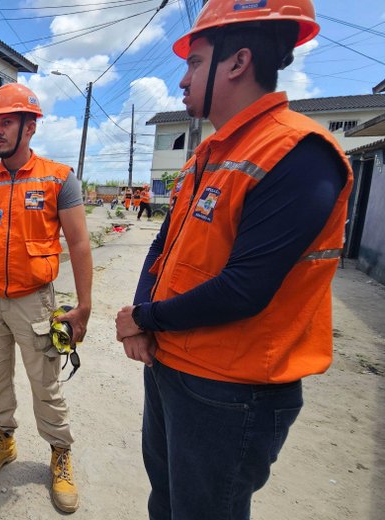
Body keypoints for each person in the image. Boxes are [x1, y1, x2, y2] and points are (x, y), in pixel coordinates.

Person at [114, 1, 353, 518]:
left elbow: (245, 288)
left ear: (238, 61)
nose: (182, 80)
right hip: (173, 367)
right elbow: (163, 248)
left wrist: (145, 318)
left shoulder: (298, 153)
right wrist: (139, 321)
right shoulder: (209, 155)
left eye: (195, 62)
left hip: (231, 392)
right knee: (169, 501)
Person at [0, 83, 92, 513]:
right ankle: (3, 441)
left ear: (30, 127)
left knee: (45, 385)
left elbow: (80, 244)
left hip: (35, 300)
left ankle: (60, 453)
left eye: (6, 122)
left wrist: (84, 307)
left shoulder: (58, 178)